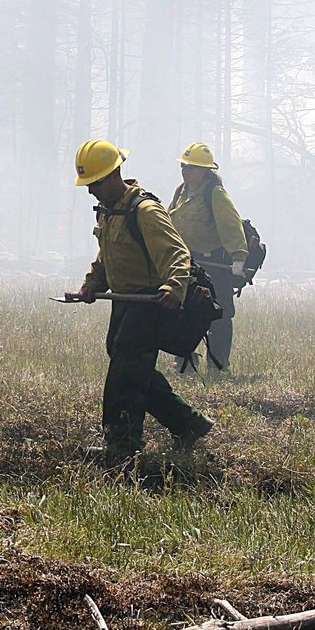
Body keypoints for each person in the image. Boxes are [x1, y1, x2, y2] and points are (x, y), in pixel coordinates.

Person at [72, 139, 214, 466]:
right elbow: (108, 257)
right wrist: (92, 284)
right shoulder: (111, 211)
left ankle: (122, 446)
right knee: (132, 367)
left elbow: (177, 254)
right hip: (125, 302)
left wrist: (174, 287)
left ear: (113, 175)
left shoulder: (145, 210)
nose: (91, 191)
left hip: (150, 304)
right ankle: (187, 423)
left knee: (123, 374)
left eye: (94, 183)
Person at [168, 142, 248, 377]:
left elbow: (231, 225)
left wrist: (238, 257)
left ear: (205, 171)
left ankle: (218, 366)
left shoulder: (215, 193)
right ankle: (185, 364)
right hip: (188, 263)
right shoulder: (180, 192)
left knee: (218, 316)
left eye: (191, 167)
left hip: (214, 265)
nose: (185, 171)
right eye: (183, 166)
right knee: (183, 313)